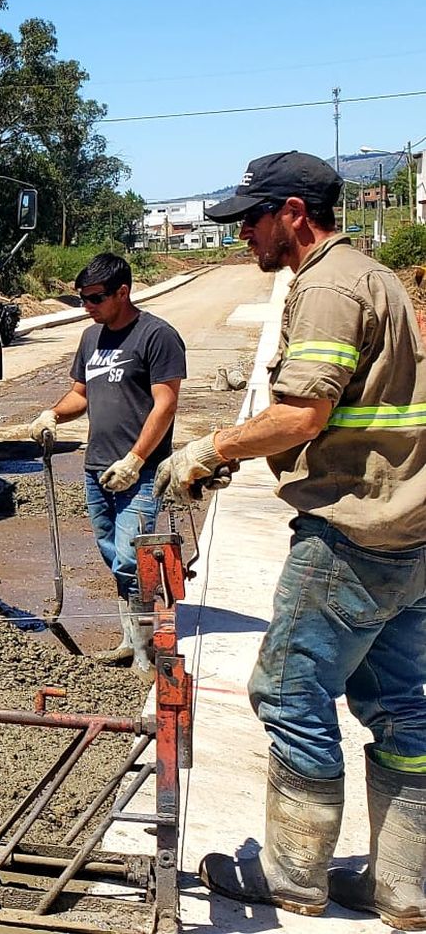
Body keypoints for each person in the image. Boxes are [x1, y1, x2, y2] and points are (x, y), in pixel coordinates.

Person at [156, 151, 426, 927]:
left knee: (287, 690)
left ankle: (293, 871)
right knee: (399, 704)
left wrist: (212, 448)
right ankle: (402, 883)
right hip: (408, 529)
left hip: (352, 529)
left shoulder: (330, 288)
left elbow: (302, 414)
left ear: (295, 212)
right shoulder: (373, 277)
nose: (244, 234)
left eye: (251, 218)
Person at [29, 253, 185, 673]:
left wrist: (136, 459)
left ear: (123, 291)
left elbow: (165, 404)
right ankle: (128, 639)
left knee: (133, 557)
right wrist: (53, 415)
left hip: (141, 471)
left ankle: (145, 653)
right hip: (97, 467)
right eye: (82, 298)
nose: (88, 307)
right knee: (112, 554)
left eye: (95, 298)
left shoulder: (157, 336)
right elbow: (81, 394)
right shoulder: (90, 339)